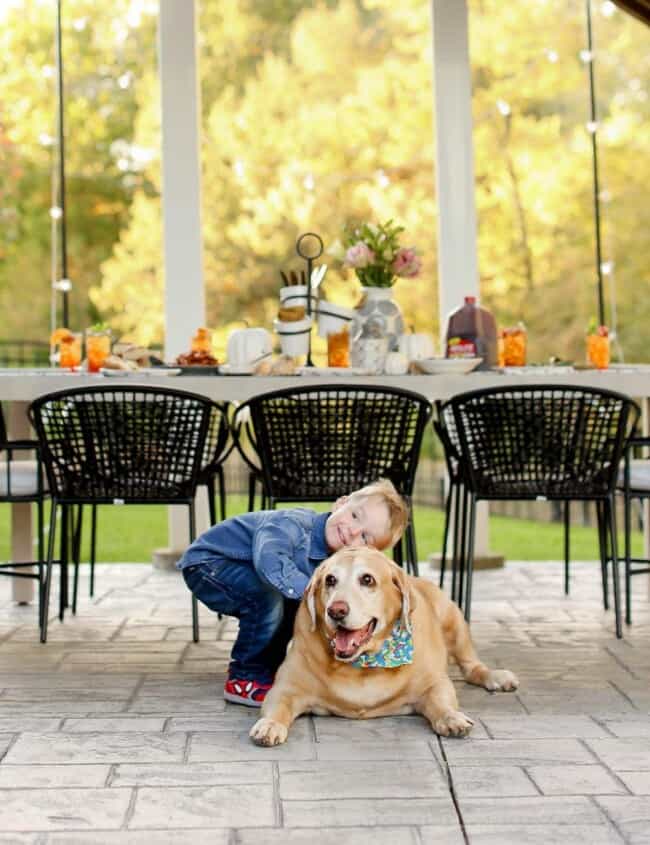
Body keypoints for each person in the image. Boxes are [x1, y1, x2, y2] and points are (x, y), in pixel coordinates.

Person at [177, 479, 409, 707]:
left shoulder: (333, 565)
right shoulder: (293, 524)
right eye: (355, 516)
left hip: (246, 573)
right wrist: (314, 596)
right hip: (210, 564)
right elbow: (269, 560)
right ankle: (244, 676)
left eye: (365, 538)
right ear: (341, 503)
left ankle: (270, 667)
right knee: (266, 600)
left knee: (294, 609)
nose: (352, 532)